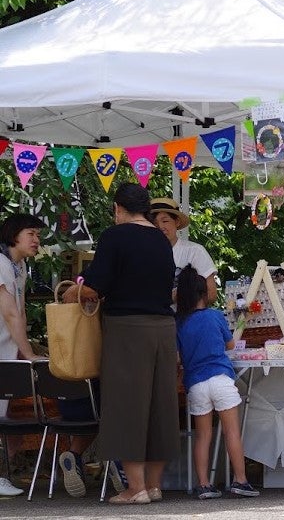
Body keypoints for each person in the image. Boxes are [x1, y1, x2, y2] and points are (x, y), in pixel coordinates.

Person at [62, 182, 178, 504]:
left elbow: (95, 286)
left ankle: (135, 487)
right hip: (164, 329)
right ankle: (154, 486)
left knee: (128, 404)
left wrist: (76, 290)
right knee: (159, 406)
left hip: (128, 328)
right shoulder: (160, 239)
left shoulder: (115, 236)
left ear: (118, 208)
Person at [174, 265, 259, 499]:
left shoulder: (179, 323)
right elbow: (230, 345)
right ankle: (240, 480)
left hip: (196, 385)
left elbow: (178, 358)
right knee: (231, 432)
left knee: (203, 436)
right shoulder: (215, 316)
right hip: (221, 378)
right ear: (204, 294)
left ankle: (203, 485)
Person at [0, 213, 46, 497]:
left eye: (38, 235)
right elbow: (9, 311)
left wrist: (22, 347)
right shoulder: (1, 264)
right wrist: (28, 353)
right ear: (14, 234)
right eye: (31, 234)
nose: (36, 240)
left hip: (6, 351)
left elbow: (21, 309)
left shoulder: (18, 267)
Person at [149, 197, 218, 304]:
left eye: (165, 221)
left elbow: (211, 294)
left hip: (186, 318)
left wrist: (181, 294)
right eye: (154, 222)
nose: (160, 226)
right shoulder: (142, 253)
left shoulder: (194, 251)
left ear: (176, 222)